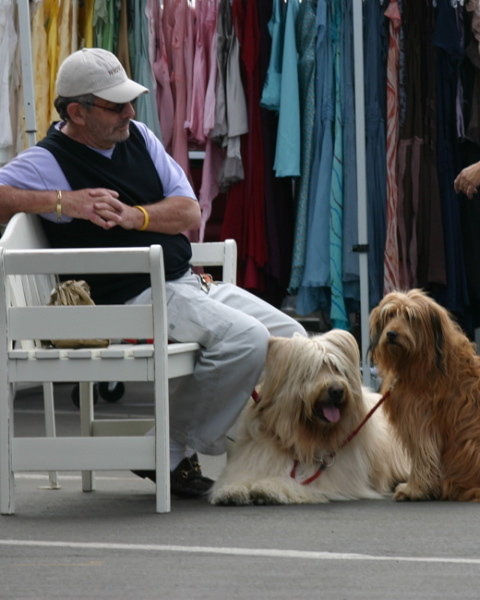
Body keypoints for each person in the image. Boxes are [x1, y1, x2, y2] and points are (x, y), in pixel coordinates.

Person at [0, 48, 306, 498]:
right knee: (246, 339)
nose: (129, 111)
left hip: (183, 282)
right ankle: (168, 449)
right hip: (133, 296)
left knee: (296, 341)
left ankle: (241, 448)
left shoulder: (138, 136)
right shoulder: (49, 160)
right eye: (115, 105)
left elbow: (186, 211)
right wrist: (63, 202)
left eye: (130, 101)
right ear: (76, 113)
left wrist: (133, 216)